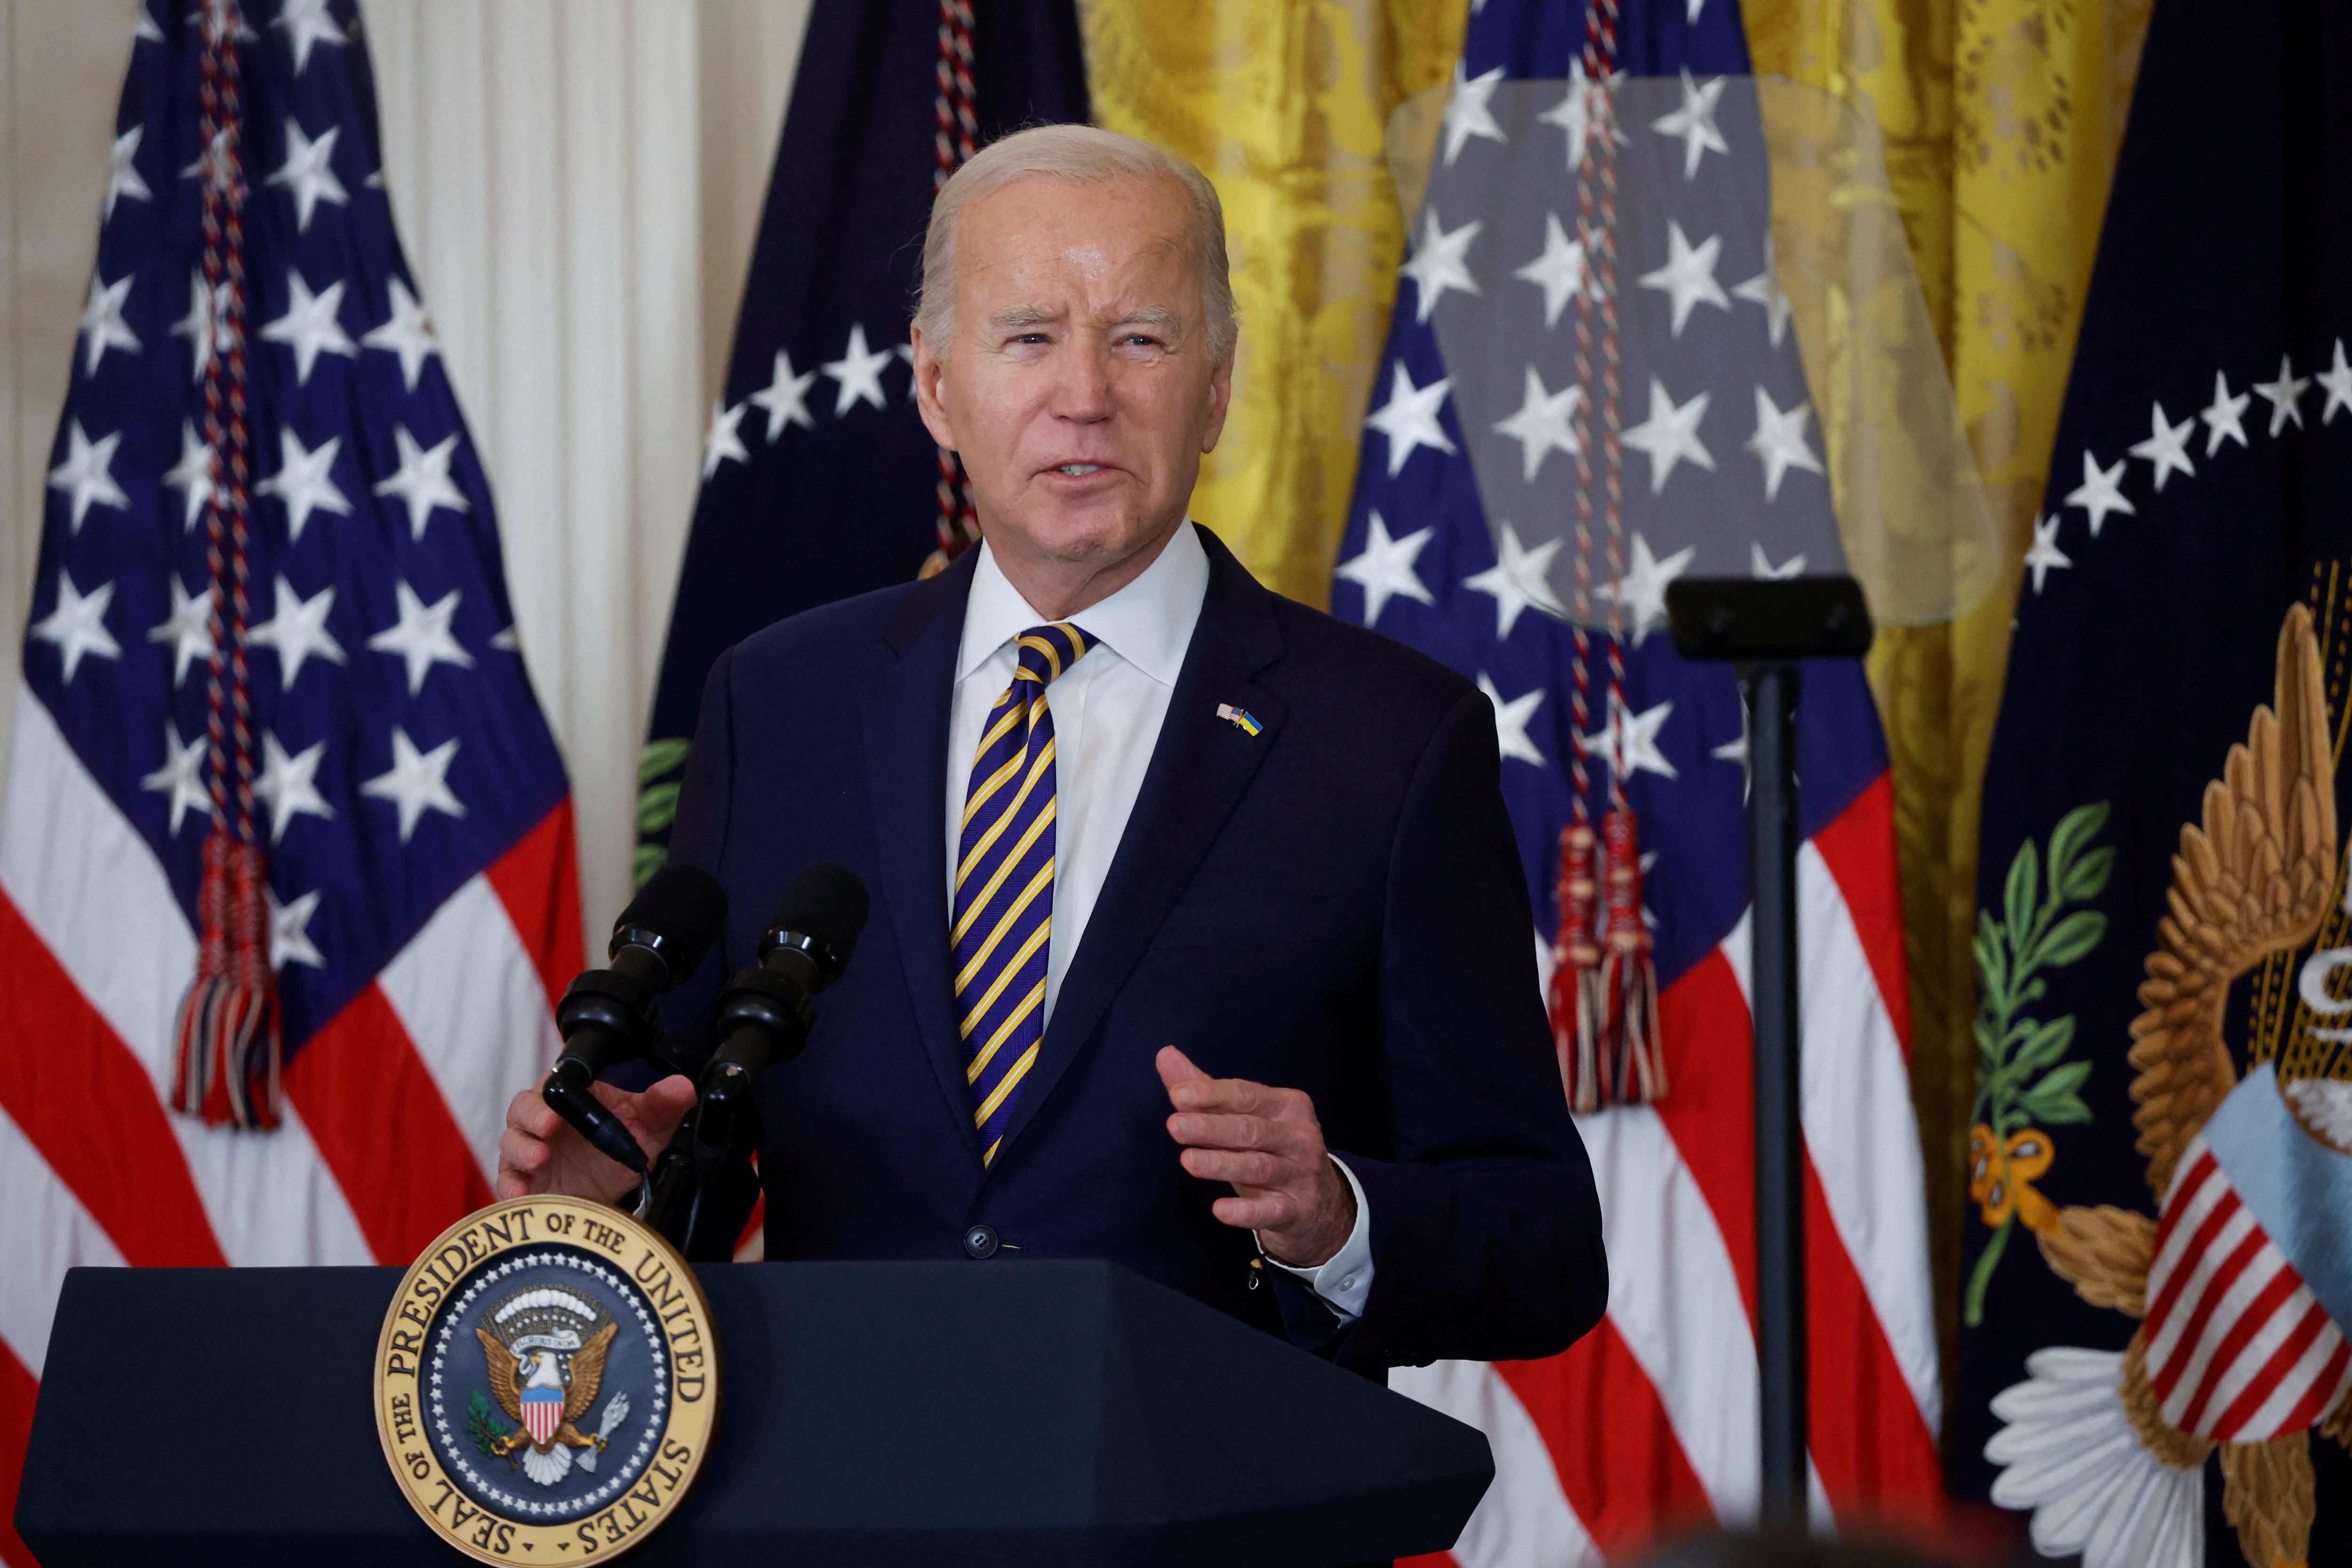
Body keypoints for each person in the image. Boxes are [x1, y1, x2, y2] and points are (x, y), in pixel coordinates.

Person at [499, 124, 1605, 1374]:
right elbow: (671, 1126)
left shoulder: (1393, 739)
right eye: (1028, 336)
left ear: (1220, 387)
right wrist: (612, 1196)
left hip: (1212, 1508)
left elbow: (1544, 1240)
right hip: (849, 1483)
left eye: (1141, 338)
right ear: (934, 385)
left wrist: (1335, 1221)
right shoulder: (778, 704)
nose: (1085, 393)